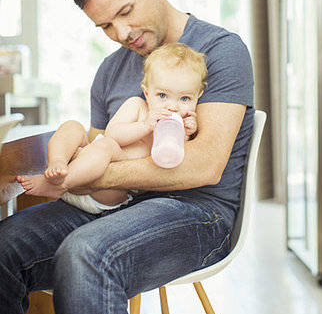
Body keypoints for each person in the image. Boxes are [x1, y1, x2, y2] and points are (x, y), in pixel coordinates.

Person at [0, 0, 254, 314]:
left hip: (198, 214)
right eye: (104, 26)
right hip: (116, 208)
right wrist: (75, 158)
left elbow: (204, 166)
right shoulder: (111, 70)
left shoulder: (221, 50)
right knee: (4, 248)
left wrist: (92, 176)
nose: (120, 33)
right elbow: (100, 144)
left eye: (125, 12)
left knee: (86, 253)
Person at [16, 43, 207, 214]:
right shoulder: (137, 106)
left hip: (109, 192)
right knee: (73, 126)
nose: (172, 107)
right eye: (163, 95)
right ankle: (58, 165)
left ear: (198, 96)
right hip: (85, 162)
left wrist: (186, 135)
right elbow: (112, 133)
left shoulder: (181, 124)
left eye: (184, 99)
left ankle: (60, 185)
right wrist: (145, 125)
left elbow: (172, 159)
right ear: (146, 92)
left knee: (107, 147)